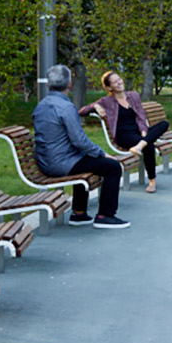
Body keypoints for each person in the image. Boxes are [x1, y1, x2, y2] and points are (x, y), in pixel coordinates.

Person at [32, 63, 129, 229]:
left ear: (48, 85)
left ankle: (79, 214)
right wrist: (103, 154)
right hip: (61, 163)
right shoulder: (66, 107)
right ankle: (105, 216)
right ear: (69, 84)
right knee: (113, 167)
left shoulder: (40, 105)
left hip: (46, 161)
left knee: (86, 159)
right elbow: (79, 141)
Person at [81, 70, 170, 193]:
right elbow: (82, 111)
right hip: (124, 135)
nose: (119, 83)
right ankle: (152, 181)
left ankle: (140, 145)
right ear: (109, 87)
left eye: (119, 79)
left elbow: (141, 116)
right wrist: (95, 106)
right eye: (114, 82)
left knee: (164, 124)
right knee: (149, 146)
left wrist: (144, 132)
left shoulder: (133, 96)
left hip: (138, 132)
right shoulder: (106, 101)